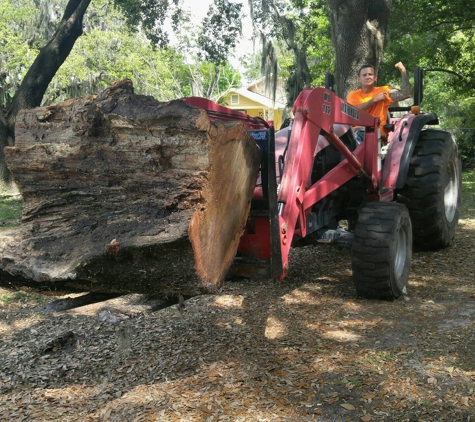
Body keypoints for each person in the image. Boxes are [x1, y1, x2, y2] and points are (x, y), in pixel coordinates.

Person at [347, 62, 411, 144]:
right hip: (355, 132)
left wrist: (403, 70)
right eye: (364, 75)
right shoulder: (353, 95)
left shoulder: (383, 91)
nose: (367, 77)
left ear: (375, 78)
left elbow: (405, 94)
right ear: (358, 79)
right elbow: (353, 111)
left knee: (358, 140)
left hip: (375, 132)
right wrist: (374, 100)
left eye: (370, 74)